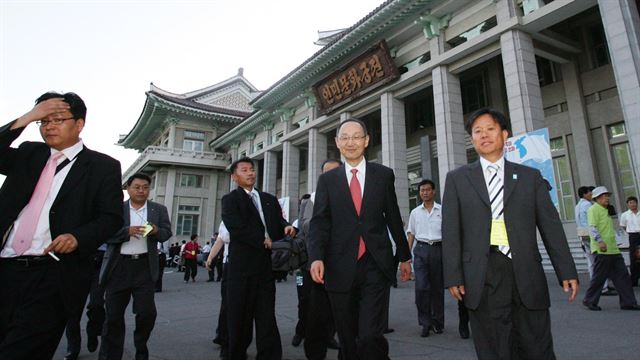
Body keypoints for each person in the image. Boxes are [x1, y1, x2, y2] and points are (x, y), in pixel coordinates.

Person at [442, 108, 579, 359]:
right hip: (482, 276)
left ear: (504, 135)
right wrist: (453, 275)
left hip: (526, 271)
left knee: (537, 348)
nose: (484, 135)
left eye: (490, 129)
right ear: (472, 139)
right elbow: (451, 231)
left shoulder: (529, 177)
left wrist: (567, 270)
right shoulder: (457, 179)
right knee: (494, 350)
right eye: (477, 131)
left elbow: (551, 226)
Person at [0, 92, 123, 359]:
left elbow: (111, 218)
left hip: (52, 273)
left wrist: (78, 237)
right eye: (43, 121)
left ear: (79, 124)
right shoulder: (28, 154)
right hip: (6, 266)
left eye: (58, 119)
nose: (49, 126)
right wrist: (26, 118)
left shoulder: (103, 167)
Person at [309, 118, 412, 360]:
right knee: (347, 337)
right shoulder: (327, 180)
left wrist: (405, 257)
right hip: (338, 264)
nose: (350, 142)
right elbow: (320, 222)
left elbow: (393, 216)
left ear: (366, 141)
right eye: (344, 137)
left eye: (356, 137)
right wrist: (316, 257)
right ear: (337, 142)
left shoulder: (383, 175)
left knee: (369, 335)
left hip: (375, 262)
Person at [221, 157, 296, 360]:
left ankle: (269, 354)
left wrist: (286, 226)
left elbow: (277, 221)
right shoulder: (230, 200)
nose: (250, 173)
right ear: (235, 177)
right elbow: (236, 228)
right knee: (240, 314)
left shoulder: (269, 198)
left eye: (252, 169)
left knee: (266, 313)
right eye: (244, 170)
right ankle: (235, 353)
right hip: (242, 267)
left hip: (265, 267)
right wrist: (263, 241)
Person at [99, 173, 172, 360]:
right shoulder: (117, 210)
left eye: (145, 187)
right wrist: (126, 232)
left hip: (144, 266)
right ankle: (110, 355)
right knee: (113, 316)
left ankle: (141, 347)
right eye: (137, 187)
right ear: (128, 188)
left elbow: (166, 233)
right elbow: (104, 234)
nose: (141, 190)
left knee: (146, 313)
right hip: (119, 266)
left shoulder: (158, 209)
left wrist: (156, 231)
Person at [294, 161, 341, 359]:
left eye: (334, 171)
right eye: (326, 172)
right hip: (308, 264)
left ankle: (328, 335)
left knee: (332, 304)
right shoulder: (310, 199)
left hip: (337, 262)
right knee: (306, 302)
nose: (330, 176)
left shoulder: (348, 196)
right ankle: (301, 332)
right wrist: (324, 222)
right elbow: (304, 225)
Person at [582, 187, 640, 311]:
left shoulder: (605, 210)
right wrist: (600, 241)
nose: (607, 198)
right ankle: (589, 300)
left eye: (607, 195)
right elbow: (592, 227)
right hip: (602, 250)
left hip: (613, 249)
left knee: (623, 276)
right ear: (596, 198)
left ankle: (628, 302)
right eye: (603, 196)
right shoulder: (593, 209)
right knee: (599, 277)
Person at [406, 179, 445, 338]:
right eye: (422, 190)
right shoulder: (415, 212)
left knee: (437, 289)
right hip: (421, 250)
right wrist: (406, 257)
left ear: (434, 191)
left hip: (438, 250)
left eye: (428, 190)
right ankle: (425, 322)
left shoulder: (442, 210)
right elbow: (411, 234)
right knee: (421, 287)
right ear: (419, 192)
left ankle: (437, 322)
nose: (425, 193)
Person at [64, 244, 107, 359]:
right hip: (77, 258)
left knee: (96, 303)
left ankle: (93, 328)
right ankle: (73, 347)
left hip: (101, 259)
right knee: (73, 310)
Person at [575, 185, 616, 296]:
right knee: (599, 262)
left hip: (582, 234)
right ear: (585, 194)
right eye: (590, 193)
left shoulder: (577, 206)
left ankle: (599, 286)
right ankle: (603, 287)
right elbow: (593, 222)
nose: (592, 195)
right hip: (591, 235)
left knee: (592, 263)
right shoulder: (589, 205)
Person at [619, 196, 640, 287]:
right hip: (633, 236)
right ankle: (634, 280)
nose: (632, 204)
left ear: (637, 203)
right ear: (628, 204)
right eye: (630, 203)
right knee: (634, 258)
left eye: (634, 202)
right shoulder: (625, 215)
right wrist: (630, 231)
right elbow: (623, 226)